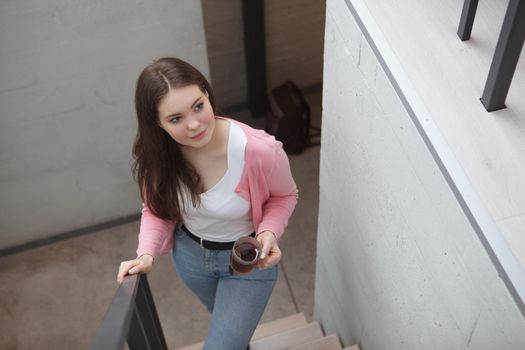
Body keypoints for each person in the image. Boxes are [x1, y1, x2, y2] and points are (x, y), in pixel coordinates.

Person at [116, 57, 298, 350]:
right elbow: (156, 210)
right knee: (228, 333)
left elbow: (285, 195)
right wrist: (146, 254)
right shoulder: (158, 160)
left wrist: (269, 232)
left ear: (207, 93)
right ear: (157, 123)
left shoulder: (259, 151)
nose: (194, 125)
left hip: (246, 261)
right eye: (175, 119)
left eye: (198, 106)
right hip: (191, 258)